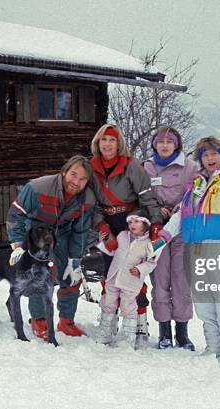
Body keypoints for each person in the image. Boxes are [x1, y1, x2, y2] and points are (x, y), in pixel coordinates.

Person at [162, 136, 220, 363]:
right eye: (205, 154)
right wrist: (164, 236)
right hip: (195, 249)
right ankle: (214, 347)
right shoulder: (197, 185)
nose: (210, 158)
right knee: (204, 304)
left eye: (214, 153)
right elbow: (180, 215)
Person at [89, 124, 163, 347]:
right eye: (103, 140)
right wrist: (100, 225)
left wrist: (155, 223)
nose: (107, 144)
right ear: (97, 143)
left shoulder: (131, 166)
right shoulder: (91, 167)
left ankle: (139, 325)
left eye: (112, 140)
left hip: (131, 222)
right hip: (107, 223)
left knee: (134, 277)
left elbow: (147, 197)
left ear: (118, 143)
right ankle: (108, 325)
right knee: (109, 275)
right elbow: (91, 202)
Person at [6, 155, 96, 339]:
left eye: (82, 179)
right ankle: (39, 320)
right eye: (73, 175)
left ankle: (66, 321)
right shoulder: (38, 187)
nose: (76, 182)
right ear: (64, 172)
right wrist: (18, 245)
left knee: (72, 276)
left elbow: (81, 231)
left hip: (63, 234)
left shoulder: (87, 199)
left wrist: (75, 259)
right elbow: (16, 215)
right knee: (39, 275)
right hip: (37, 231)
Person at [143, 126, 200, 350]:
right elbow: (142, 196)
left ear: (177, 144)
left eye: (170, 141)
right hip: (157, 229)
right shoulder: (147, 168)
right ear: (154, 144)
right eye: (160, 141)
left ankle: (183, 334)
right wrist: (156, 210)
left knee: (181, 279)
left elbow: (197, 191)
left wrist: (182, 206)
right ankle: (164, 332)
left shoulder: (189, 166)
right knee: (160, 280)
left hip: (182, 231)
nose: (165, 145)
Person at [95, 213, 157, 347]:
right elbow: (112, 251)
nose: (132, 225)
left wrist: (140, 269)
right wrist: (102, 242)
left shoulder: (148, 243)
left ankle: (127, 337)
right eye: (130, 222)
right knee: (108, 302)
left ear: (145, 225)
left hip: (130, 279)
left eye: (136, 222)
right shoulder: (122, 235)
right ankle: (105, 333)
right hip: (114, 275)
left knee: (128, 306)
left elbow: (151, 263)